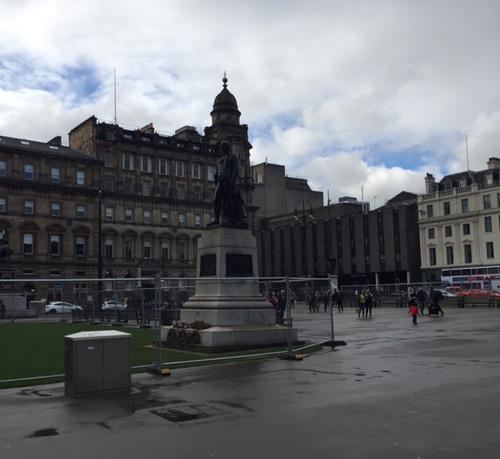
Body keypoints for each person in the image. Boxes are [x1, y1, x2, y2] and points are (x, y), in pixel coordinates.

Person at [209, 140, 247, 228]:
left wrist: (232, 182)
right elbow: (218, 170)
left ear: (226, 147)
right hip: (220, 182)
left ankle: (229, 218)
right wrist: (216, 178)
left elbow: (235, 170)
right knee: (216, 200)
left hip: (228, 181)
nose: (221, 149)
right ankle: (216, 219)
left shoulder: (232, 157)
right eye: (221, 147)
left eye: (223, 147)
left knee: (228, 201)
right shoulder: (220, 159)